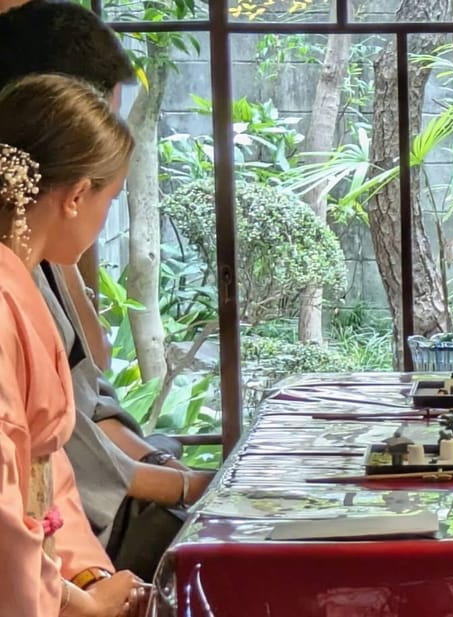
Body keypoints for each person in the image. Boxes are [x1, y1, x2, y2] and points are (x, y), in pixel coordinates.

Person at [0, 0, 213, 580]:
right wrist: (83, 592)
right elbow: (28, 487)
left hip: (59, 544)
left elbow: (83, 398)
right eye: (106, 198)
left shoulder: (29, 265)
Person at [0, 73, 148, 617]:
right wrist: (75, 604)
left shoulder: (24, 278)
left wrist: (88, 573)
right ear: (78, 195)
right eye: (109, 198)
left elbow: (49, 468)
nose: (103, 218)